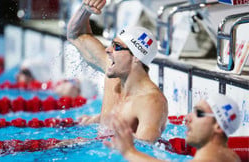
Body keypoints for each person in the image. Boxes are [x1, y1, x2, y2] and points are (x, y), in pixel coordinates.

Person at [67, 0, 168, 141]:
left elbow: (142, 152)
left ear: (137, 57)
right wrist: (85, 10)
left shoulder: (151, 102)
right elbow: (76, 36)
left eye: (117, 47)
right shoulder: (113, 74)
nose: (108, 50)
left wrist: (88, 143)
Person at [104, 93, 242, 162]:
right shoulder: (228, 155)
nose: (187, 118)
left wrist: (130, 152)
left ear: (218, 126)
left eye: (198, 113)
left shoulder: (213, 158)